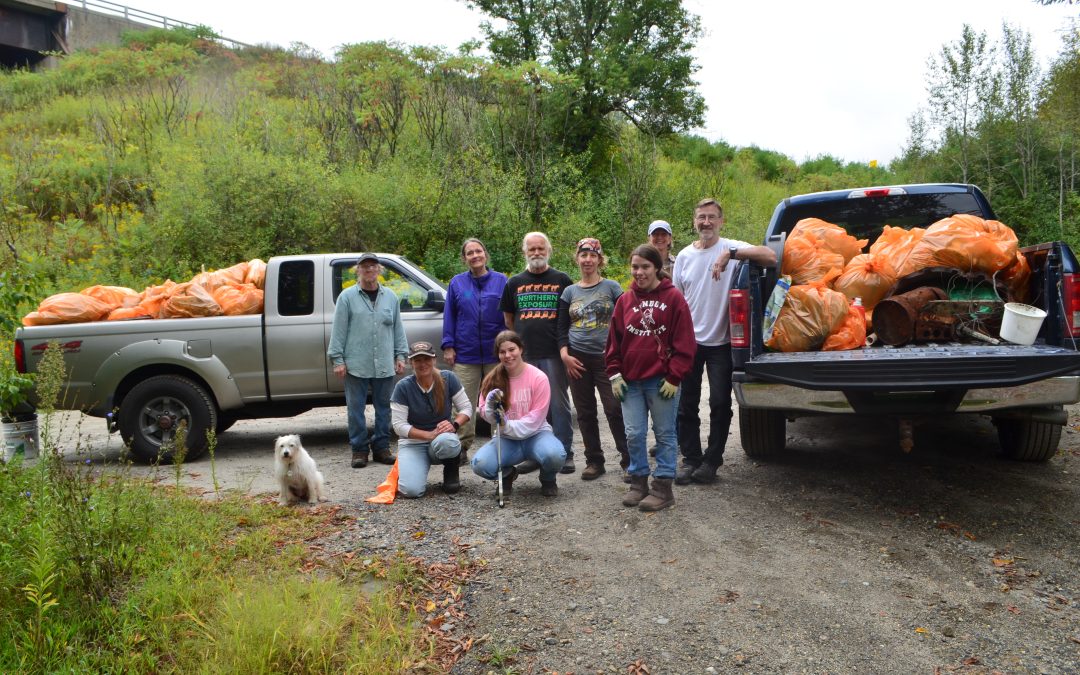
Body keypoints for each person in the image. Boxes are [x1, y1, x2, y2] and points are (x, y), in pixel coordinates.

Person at [672, 198, 777, 484]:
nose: (706, 222)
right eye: (701, 217)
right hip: (689, 343)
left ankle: (711, 462)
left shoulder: (732, 247)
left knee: (719, 402)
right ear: (694, 221)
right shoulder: (683, 257)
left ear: (721, 221)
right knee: (687, 404)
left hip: (721, 343)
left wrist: (731, 254)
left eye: (711, 217)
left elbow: (770, 256)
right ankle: (690, 459)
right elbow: (676, 302)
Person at [605, 244, 696, 511]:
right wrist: (614, 374)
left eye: (645, 266)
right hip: (631, 382)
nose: (639, 272)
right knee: (633, 433)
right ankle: (638, 483)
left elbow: (686, 343)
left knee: (665, 434)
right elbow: (614, 342)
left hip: (661, 382)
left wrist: (675, 376)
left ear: (657, 267)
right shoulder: (624, 300)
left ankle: (663, 487)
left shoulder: (674, 298)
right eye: (635, 267)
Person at [500, 232, 575, 474]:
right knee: (530, 407)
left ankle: (565, 452)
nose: (536, 253)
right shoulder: (514, 283)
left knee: (558, 405)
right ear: (525, 252)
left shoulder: (563, 280)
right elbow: (509, 319)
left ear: (548, 250)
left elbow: (571, 317)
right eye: (531, 249)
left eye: (540, 248)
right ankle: (534, 453)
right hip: (526, 356)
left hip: (554, 352)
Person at [328, 253, 408, 468]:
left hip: (384, 363)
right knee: (355, 409)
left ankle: (382, 448)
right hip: (356, 364)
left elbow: (398, 328)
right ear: (358, 270)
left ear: (379, 270)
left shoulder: (390, 297)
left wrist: (401, 355)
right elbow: (339, 331)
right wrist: (337, 359)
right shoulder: (347, 297)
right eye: (365, 267)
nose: (369, 270)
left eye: (373, 266)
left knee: (385, 408)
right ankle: (359, 450)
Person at [557, 237, 629, 481]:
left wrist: (622, 353)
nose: (587, 260)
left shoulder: (612, 287)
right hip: (577, 358)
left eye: (592, 255)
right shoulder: (569, 292)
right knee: (585, 411)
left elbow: (625, 322)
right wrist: (564, 355)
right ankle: (594, 461)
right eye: (583, 255)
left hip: (607, 358)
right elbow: (561, 327)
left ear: (600, 259)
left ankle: (629, 460)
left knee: (614, 408)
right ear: (577, 258)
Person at [471, 330, 567, 497]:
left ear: (521, 349)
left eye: (512, 349)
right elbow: (485, 414)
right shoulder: (492, 379)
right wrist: (491, 411)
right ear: (498, 355)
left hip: (536, 434)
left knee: (555, 455)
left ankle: (548, 477)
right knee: (480, 464)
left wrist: (506, 424)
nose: (508, 355)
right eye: (502, 352)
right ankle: (507, 475)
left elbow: (536, 418)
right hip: (507, 439)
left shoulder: (538, 377)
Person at [441, 238, 508, 460]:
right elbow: (449, 315)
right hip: (466, 353)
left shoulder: (501, 281)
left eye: (478, 251)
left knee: (497, 399)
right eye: (470, 253)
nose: (475, 256)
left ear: (485, 254)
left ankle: (500, 444)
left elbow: (508, 317)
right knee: (463, 402)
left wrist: (508, 347)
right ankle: (460, 447)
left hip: (494, 354)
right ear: (464, 258)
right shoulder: (457, 283)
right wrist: (448, 345)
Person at [390, 341, 473, 497]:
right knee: (411, 491)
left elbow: (467, 409)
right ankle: (413, 467)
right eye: (418, 360)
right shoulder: (402, 387)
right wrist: (428, 435)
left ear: (434, 359)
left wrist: (454, 425)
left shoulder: (448, 378)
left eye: (427, 359)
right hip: (413, 443)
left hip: (442, 439)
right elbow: (398, 426)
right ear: (410, 362)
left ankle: (451, 468)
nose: (423, 364)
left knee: (448, 442)